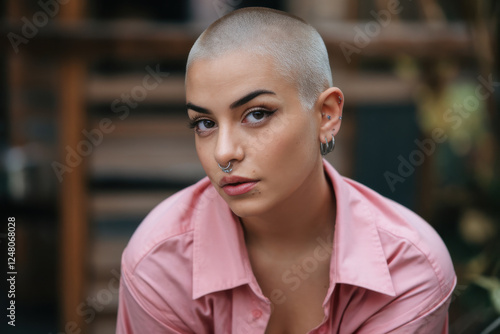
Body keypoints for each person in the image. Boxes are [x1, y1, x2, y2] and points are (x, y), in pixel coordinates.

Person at [116, 7, 456, 334]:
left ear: (326, 115)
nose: (223, 153)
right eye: (204, 123)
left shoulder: (408, 267)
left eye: (257, 114)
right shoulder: (161, 263)